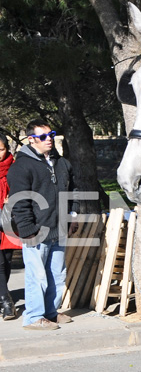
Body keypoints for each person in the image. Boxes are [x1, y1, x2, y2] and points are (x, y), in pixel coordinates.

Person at [7, 121, 79, 330]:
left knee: (57, 274)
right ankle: (33, 317)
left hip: (59, 229)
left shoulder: (62, 163)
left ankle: (50, 313)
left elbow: (73, 190)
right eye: (43, 136)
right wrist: (29, 230)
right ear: (31, 140)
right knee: (37, 276)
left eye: (51, 135)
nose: (49, 139)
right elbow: (19, 202)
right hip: (36, 231)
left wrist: (72, 215)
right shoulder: (21, 167)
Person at [0, 134, 22, 320]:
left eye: (0, 149)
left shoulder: (15, 168)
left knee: (7, 261)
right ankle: (7, 303)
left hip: (8, 220)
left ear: (7, 148)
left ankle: (2, 296)